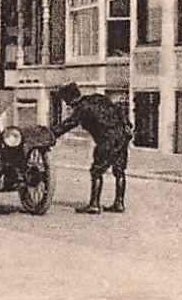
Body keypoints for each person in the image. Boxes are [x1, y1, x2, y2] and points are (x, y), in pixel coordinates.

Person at [52, 83, 131, 214]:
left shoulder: (82, 108)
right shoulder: (98, 98)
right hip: (122, 137)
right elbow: (118, 109)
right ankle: (119, 203)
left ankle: (94, 204)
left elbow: (69, 124)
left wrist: (52, 134)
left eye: (66, 101)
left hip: (107, 139)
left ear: (70, 99)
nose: (67, 104)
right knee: (119, 171)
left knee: (96, 171)